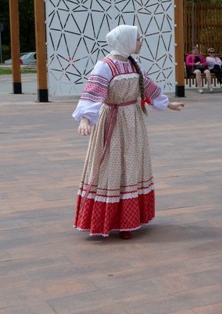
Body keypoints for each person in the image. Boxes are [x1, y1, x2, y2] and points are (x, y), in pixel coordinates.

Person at [72, 25, 184, 239]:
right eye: (138, 39)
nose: (141, 42)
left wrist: (168, 104)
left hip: (133, 120)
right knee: (112, 165)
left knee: (131, 164)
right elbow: (92, 93)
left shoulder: (134, 64)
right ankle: (109, 218)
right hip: (113, 121)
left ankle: (128, 220)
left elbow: (148, 87)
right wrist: (85, 119)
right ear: (125, 41)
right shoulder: (105, 66)